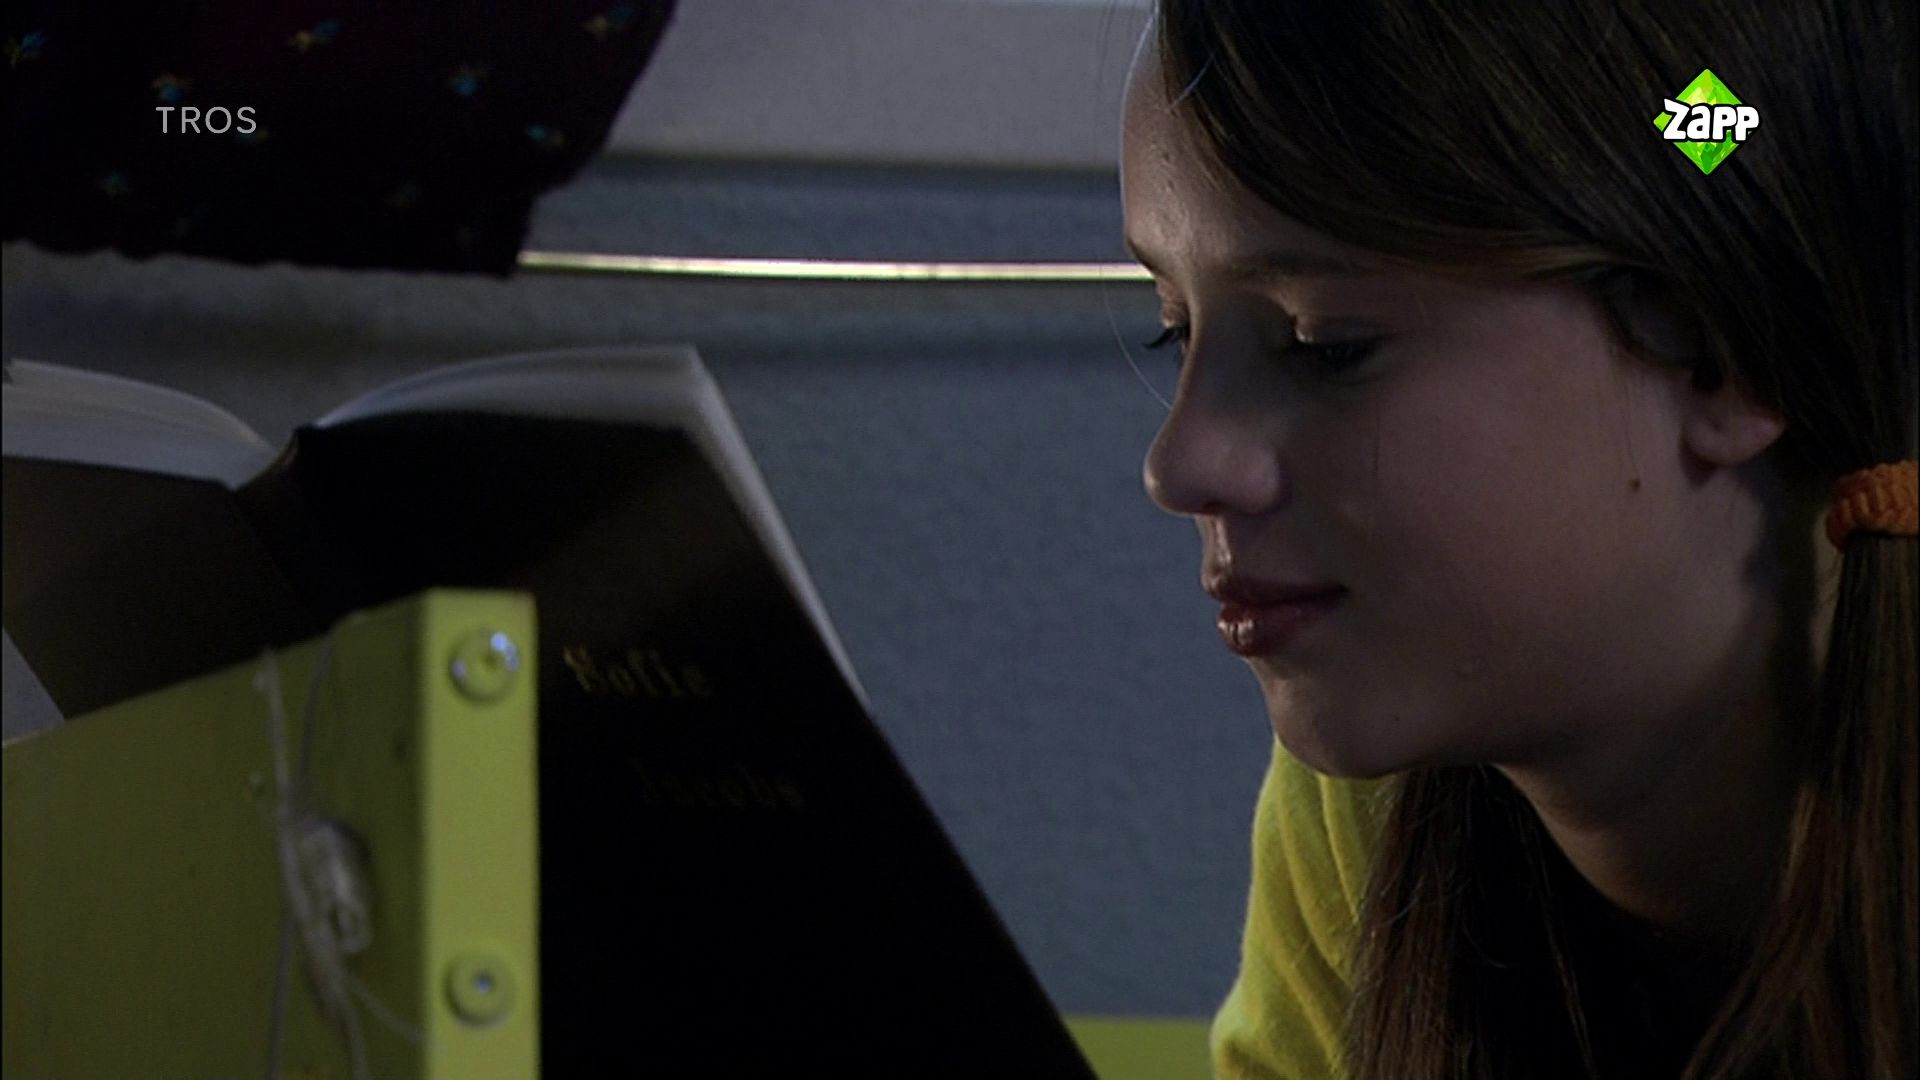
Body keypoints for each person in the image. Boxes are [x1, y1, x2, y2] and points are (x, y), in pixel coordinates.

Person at [1116, 1, 1916, 1077]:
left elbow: (1723, 120)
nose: (1179, 465)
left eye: (1325, 343)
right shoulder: (1368, 811)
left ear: (1725, 346)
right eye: (1173, 330)